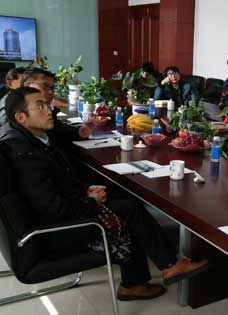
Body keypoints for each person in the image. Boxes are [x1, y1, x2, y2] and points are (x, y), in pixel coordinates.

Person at [0, 87, 209, 300]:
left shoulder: (32, 140)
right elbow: (53, 209)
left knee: (125, 199)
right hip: (54, 231)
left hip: (64, 207)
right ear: (21, 117)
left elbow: (58, 181)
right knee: (128, 209)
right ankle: (163, 268)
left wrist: (84, 189)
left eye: (47, 103)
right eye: (41, 106)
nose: (49, 109)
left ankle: (148, 275)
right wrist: (90, 202)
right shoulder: (25, 155)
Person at [21, 67, 91, 142]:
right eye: (45, 86)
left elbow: (56, 130)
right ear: (27, 86)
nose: (51, 92)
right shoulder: (19, 116)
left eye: (52, 88)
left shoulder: (47, 109)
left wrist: (78, 132)